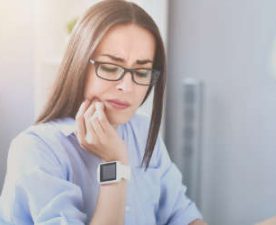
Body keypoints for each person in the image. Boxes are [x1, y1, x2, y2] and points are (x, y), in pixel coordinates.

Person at [0, 1, 207, 224]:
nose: (127, 87)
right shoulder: (36, 150)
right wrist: (115, 163)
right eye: (109, 67)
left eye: (142, 71)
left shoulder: (143, 131)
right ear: (79, 64)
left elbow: (181, 214)